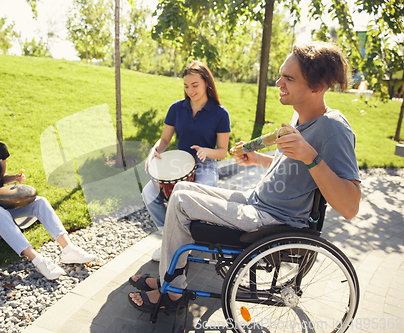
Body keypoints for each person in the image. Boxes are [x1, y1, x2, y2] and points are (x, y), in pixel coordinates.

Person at [128, 41, 361, 312]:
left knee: (180, 203)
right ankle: (169, 278)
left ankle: (172, 290)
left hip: (272, 219)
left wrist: (312, 157)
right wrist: (259, 160)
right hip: (257, 202)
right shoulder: (300, 116)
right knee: (180, 189)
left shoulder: (334, 129)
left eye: (288, 78)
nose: (278, 82)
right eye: (281, 74)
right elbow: (295, 171)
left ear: (316, 87)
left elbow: (350, 206)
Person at [0, 106, 96, 281]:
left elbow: (0, 178)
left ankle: (68, 249)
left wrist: (14, 178)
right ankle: (38, 261)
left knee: (40, 202)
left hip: (0, 201)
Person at [142, 60, 231, 261]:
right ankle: (170, 239)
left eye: (195, 85)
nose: (190, 90)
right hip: (179, 164)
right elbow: (164, 140)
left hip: (206, 164)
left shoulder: (220, 113)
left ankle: (187, 240)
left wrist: (207, 151)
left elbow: (223, 151)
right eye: (186, 86)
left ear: (206, 83)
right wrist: (154, 151)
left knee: (197, 201)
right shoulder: (176, 109)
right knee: (149, 193)